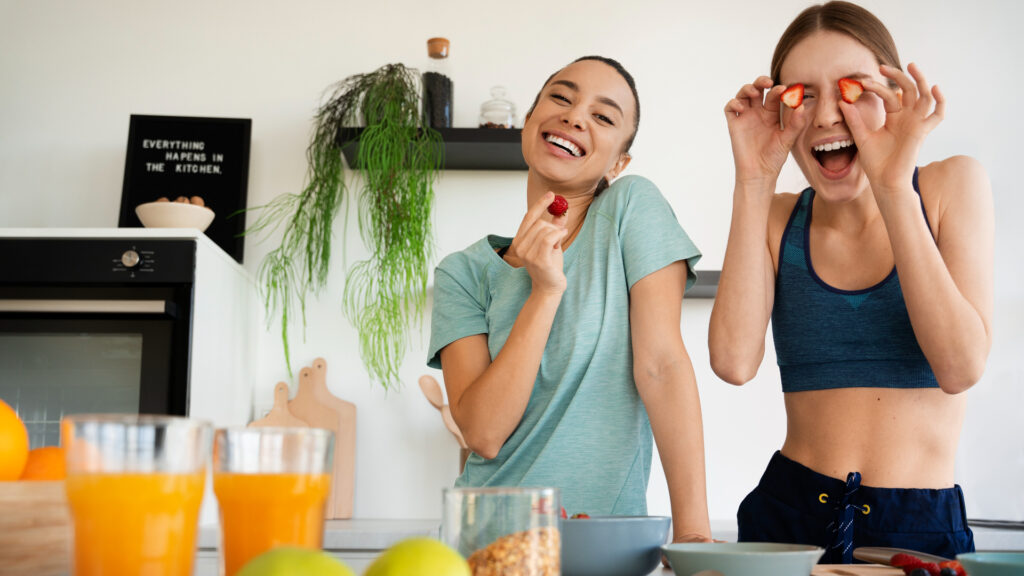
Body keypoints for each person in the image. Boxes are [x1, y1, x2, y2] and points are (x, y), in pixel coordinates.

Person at [709, 1, 992, 563]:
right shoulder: (778, 216)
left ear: (893, 95)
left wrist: (892, 185)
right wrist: (753, 179)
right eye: (802, 94)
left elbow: (960, 368)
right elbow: (733, 363)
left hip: (917, 528)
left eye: (851, 89)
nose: (825, 116)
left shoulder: (949, 186)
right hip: (788, 516)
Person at [428, 56, 713, 544]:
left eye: (603, 117)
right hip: (485, 542)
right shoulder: (463, 272)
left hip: (603, 545)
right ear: (528, 122)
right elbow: (483, 433)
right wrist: (545, 292)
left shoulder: (631, 209)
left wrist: (694, 534)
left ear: (618, 162)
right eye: (561, 97)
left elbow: (662, 366)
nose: (575, 116)